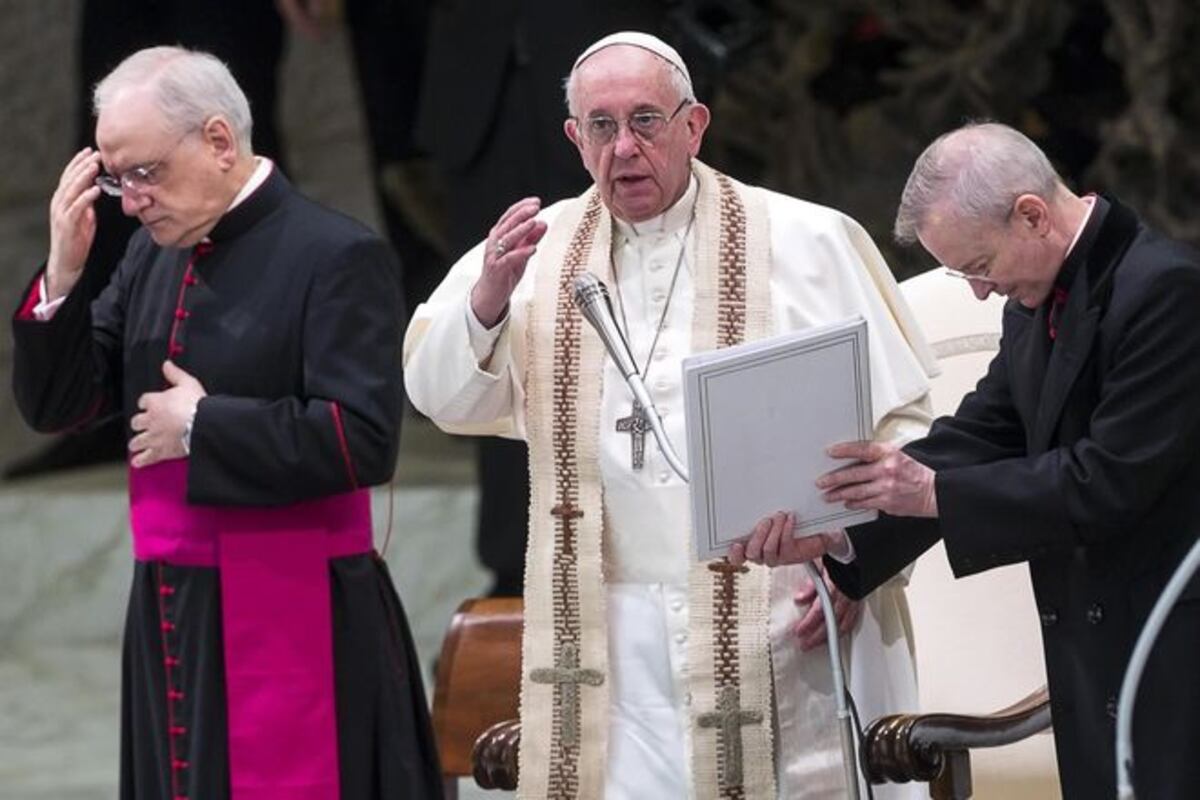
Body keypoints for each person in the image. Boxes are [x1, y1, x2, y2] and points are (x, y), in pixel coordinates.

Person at [404, 31, 938, 798]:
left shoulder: (807, 239)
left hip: (778, 606)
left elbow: (906, 431)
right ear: (573, 138)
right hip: (607, 637)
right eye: (601, 126)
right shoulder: (534, 255)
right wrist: (487, 301)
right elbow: (440, 397)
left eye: (647, 120)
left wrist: (856, 561)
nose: (624, 148)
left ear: (695, 125)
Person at [11, 47, 441, 799]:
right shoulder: (152, 254)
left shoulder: (336, 255)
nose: (131, 200)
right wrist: (64, 277)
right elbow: (63, 407)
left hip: (295, 604)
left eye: (145, 172)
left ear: (218, 141)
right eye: (117, 178)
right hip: (173, 601)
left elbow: (365, 439)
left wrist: (206, 424)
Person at [736, 122, 1200, 798]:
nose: (978, 292)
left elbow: (1108, 481)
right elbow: (981, 434)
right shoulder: (1031, 300)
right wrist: (841, 522)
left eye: (979, 266)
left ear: (1031, 215)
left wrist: (932, 494)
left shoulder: (1168, 290)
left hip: (1171, 656)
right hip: (1094, 658)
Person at [416, 2, 672, 598]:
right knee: (503, 330)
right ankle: (515, 560)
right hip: (482, 94)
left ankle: (629, 544)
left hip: (600, 61)